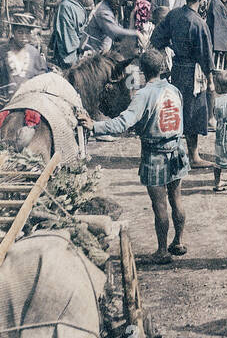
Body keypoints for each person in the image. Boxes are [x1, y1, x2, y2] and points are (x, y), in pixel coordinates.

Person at [81, 47, 189, 262]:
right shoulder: (174, 90)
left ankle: (162, 251)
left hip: (155, 152)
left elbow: (124, 122)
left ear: (142, 70)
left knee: (159, 204)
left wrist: (95, 126)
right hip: (177, 148)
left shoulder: (144, 94)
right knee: (176, 199)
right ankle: (178, 241)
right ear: (161, 68)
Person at [150, 0, 215, 167]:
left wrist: (173, 46)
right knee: (193, 113)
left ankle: (174, 151)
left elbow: (157, 38)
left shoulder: (174, 15)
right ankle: (194, 156)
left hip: (177, 70)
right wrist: (210, 79)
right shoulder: (198, 23)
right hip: (193, 72)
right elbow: (205, 55)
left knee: (177, 110)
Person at [49, 0, 88, 68]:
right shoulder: (65, 7)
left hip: (78, 50)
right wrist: (74, 58)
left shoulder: (78, 6)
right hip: (68, 54)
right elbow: (67, 35)